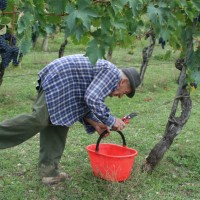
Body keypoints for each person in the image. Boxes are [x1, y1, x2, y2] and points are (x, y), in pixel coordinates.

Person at [0, 54, 141, 185]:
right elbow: (92, 98)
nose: (121, 96)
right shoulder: (112, 74)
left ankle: (49, 173)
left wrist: (95, 123)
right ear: (123, 82)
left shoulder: (109, 76)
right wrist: (111, 120)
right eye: (126, 92)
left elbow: (85, 100)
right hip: (60, 78)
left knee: (59, 123)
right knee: (39, 119)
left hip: (68, 85)